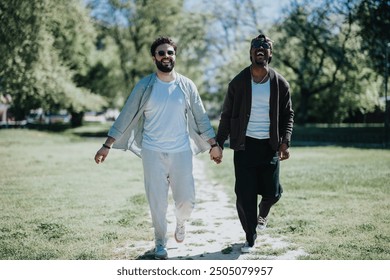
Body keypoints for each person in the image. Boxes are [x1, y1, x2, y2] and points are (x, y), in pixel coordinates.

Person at [94, 36, 222, 260]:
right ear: (154, 57)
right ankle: (160, 242)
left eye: (170, 52)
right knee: (157, 201)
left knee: (186, 201)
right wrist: (107, 145)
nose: (166, 56)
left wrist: (214, 144)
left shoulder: (186, 85)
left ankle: (181, 222)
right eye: (161, 53)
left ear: (175, 56)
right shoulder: (145, 86)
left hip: (181, 151)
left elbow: (201, 118)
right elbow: (126, 115)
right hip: (152, 152)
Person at [215, 34, 294, 253]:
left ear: (270, 53)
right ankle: (250, 235)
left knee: (273, 193)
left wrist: (285, 142)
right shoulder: (238, 82)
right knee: (245, 195)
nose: (260, 49)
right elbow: (227, 115)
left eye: (265, 46)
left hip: (269, 146)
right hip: (245, 147)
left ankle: (263, 214)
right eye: (256, 46)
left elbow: (288, 115)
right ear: (250, 53)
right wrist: (219, 143)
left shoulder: (280, 83)